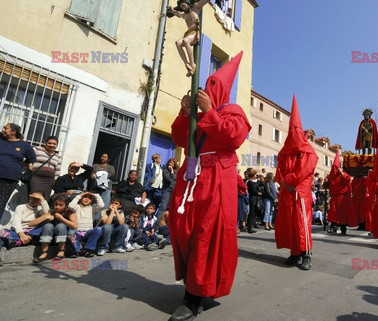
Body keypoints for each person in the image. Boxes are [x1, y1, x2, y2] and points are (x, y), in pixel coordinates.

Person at [168, 51, 250, 321]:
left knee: (206, 234)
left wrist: (208, 112)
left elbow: (234, 136)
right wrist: (185, 112)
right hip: (191, 176)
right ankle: (196, 286)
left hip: (217, 179)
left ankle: (192, 298)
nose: (208, 89)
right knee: (184, 229)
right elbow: (180, 138)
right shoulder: (201, 113)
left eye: (214, 85)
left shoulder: (232, 112)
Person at [274, 95, 318, 271]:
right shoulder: (284, 153)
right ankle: (295, 252)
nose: (293, 133)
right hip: (287, 192)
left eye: (296, 129)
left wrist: (288, 181)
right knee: (289, 224)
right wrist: (284, 182)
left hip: (300, 193)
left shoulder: (308, 152)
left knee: (302, 223)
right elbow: (279, 172)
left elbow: (303, 171)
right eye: (291, 129)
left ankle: (306, 253)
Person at [0, 123, 36, 221]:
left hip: (10, 178)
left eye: (5, 128)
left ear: (13, 132)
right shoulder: (1, 140)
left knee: (1, 203)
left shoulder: (25, 146)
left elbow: (31, 160)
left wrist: (16, 166)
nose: (3, 130)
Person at [167, 0, 210, 77]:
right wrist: (171, 10)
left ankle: (192, 64)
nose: (183, 8)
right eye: (181, 7)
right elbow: (178, 14)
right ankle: (187, 63)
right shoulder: (184, 15)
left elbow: (205, 1)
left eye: (184, 6)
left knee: (185, 41)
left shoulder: (196, 8)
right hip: (188, 33)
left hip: (194, 32)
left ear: (188, 4)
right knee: (178, 43)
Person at [34, 193, 77, 262]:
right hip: (49, 237)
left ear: (66, 206)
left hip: (63, 238)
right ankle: (44, 252)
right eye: (56, 204)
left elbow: (75, 225)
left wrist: (62, 218)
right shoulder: (51, 212)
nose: (57, 207)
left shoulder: (69, 213)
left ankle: (61, 251)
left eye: (61, 205)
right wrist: (46, 217)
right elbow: (31, 223)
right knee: (48, 225)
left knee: (61, 225)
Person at [326, 151, 356, 236]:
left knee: (344, 215)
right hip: (335, 198)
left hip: (344, 198)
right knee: (334, 214)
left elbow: (347, 180)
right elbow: (327, 186)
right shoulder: (331, 176)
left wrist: (341, 173)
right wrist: (326, 182)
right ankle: (334, 228)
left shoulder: (343, 174)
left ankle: (343, 229)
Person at [68, 192, 104, 257]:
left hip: (88, 232)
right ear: (81, 198)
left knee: (98, 229)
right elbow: (70, 206)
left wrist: (95, 195)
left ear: (92, 200)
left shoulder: (92, 208)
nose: (87, 199)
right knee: (70, 232)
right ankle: (78, 250)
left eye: (89, 198)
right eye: (85, 197)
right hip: (77, 232)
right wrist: (79, 195)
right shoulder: (77, 207)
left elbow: (101, 205)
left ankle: (88, 250)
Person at [28, 136, 61, 202]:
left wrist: (55, 181)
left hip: (49, 181)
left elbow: (57, 170)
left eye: (54, 144)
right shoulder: (37, 149)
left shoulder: (57, 156)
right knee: (34, 196)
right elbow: (28, 157)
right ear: (45, 143)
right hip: (36, 178)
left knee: (44, 199)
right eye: (49, 143)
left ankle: (42, 212)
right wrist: (30, 164)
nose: (52, 145)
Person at [90, 153, 116, 220]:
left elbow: (112, 174)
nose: (103, 158)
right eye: (102, 156)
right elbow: (92, 173)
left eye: (105, 157)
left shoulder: (110, 167)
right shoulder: (95, 166)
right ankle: (94, 219)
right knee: (95, 203)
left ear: (107, 159)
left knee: (104, 204)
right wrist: (94, 176)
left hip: (106, 188)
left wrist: (102, 175)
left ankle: (102, 220)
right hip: (95, 187)